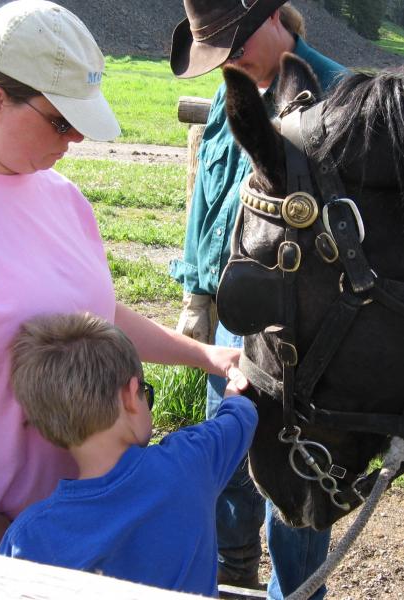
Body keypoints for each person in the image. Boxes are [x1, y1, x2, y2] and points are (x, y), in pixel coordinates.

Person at [0, 0, 247, 553]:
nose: (75, 138)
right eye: (62, 120)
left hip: (67, 508)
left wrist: (204, 355)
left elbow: (98, 313)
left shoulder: (62, 198)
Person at [169, 1, 347, 598]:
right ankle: (233, 570)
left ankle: (296, 592)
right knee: (229, 448)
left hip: (305, 331)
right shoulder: (234, 88)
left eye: (235, 45)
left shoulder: (340, 98)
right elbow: (211, 194)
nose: (229, 61)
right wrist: (198, 286)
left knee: (294, 471)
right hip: (232, 311)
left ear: (275, 18)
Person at [0, 312, 257, 596]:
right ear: (130, 395)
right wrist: (233, 385)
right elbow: (238, 417)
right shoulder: (191, 462)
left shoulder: (28, 537)